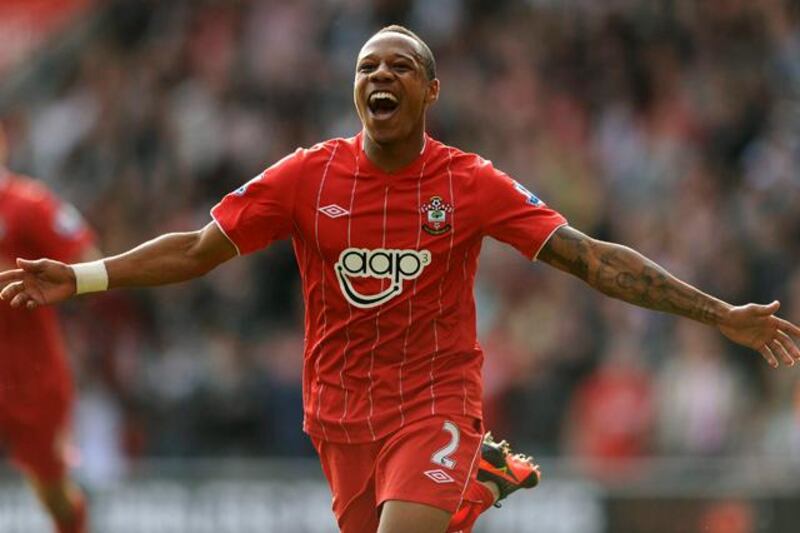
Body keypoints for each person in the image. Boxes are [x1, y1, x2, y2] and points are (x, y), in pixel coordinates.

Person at [2, 25, 799, 533]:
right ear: (356, 88)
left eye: (400, 65)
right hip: (341, 413)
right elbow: (199, 248)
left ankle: (464, 472)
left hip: (434, 401)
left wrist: (719, 310)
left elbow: (593, 258)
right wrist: (81, 279)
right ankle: (478, 486)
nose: (379, 75)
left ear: (429, 90)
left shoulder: (470, 182)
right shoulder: (306, 177)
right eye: (366, 65)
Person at [0, 126, 97, 533]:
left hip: (30, 378)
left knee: (52, 491)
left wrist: (48, 284)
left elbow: (89, 260)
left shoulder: (28, 204)